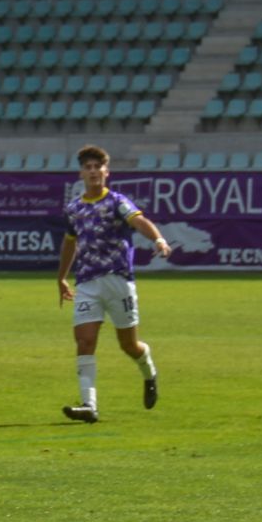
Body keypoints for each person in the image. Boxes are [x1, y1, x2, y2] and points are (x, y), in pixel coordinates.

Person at [55, 144, 169, 423]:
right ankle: (89, 405)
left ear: (106, 172)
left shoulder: (116, 201)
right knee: (84, 341)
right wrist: (61, 277)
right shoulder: (74, 209)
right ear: (81, 173)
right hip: (87, 284)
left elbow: (139, 221)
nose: (93, 171)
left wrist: (157, 239)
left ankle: (148, 371)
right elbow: (70, 243)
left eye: (98, 167)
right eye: (88, 167)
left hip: (118, 281)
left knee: (129, 345)